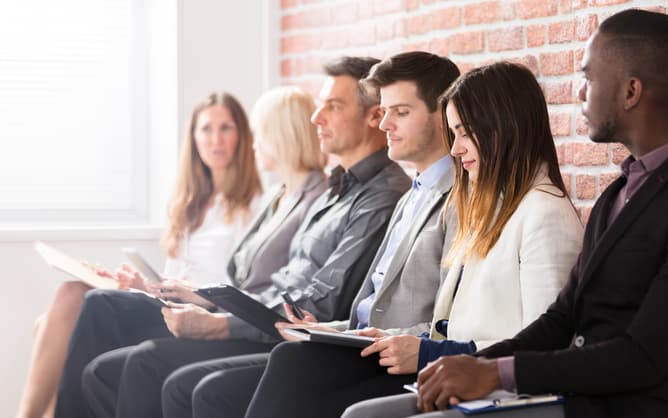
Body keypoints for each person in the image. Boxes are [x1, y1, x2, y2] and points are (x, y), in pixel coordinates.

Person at [348, 9, 668, 418]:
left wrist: (496, 373)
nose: (579, 92)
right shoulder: (619, 194)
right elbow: (560, 319)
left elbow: (644, 356)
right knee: (368, 414)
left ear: (630, 92)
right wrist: (470, 365)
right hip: (577, 399)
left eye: (589, 78)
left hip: (624, 408)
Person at [54, 56, 412, 418]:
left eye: (332, 106)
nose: (316, 118)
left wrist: (219, 321)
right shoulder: (337, 188)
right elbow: (281, 286)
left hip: (287, 334)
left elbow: (320, 303)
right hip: (264, 318)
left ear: (372, 116)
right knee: (104, 342)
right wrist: (205, 299)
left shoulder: (377, 194)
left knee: (140, 355)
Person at [247, 60, 584, 418]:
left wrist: (428, 353)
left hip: (494, 393)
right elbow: (448, 323)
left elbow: (545, 349)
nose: (455, 150)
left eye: (466, 134)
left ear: (505, 129)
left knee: (329, 396)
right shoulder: (491, 211)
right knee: (297, 366)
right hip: (453, 373)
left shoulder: (545, 214)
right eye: (455, 134)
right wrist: (402, 341)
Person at [159, 51, 461, 418]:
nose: (386, 125)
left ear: (442, 114)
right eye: (386, 111)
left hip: (384, 354)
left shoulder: (428, 195)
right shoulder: (408, 193)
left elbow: (442, 318)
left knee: (208, 383)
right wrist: (323, 329)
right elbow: (362, 305)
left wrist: (226, 320)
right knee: (187, 374)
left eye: (400, 112)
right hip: (343, 338)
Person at [15, 91, 263, 418]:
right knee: (61, 304)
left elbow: (240, 287)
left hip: (200, 311)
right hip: (168, 300)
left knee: (70, 303)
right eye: (206, 129)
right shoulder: (189, 205)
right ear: (193, 138)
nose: (215, 139)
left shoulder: (254, 205)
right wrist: (138, 285)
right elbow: (169, 279)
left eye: (226, 128)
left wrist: (174, 294)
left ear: (242, 136)